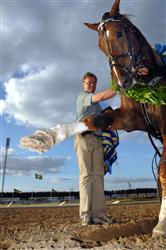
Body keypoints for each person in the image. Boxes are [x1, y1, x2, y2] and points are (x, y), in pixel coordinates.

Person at [74, 72, 116, 226]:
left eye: (94, 83)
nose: (91, 85)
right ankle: (85, 215)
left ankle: (99, 215)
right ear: (83, 84)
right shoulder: (82, 97)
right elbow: (99, 97)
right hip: (83, 138)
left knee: (98, 176)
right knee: (86, 176)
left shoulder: (98, 107)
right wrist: (119, 87)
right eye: (89, 82)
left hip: (98, 140)